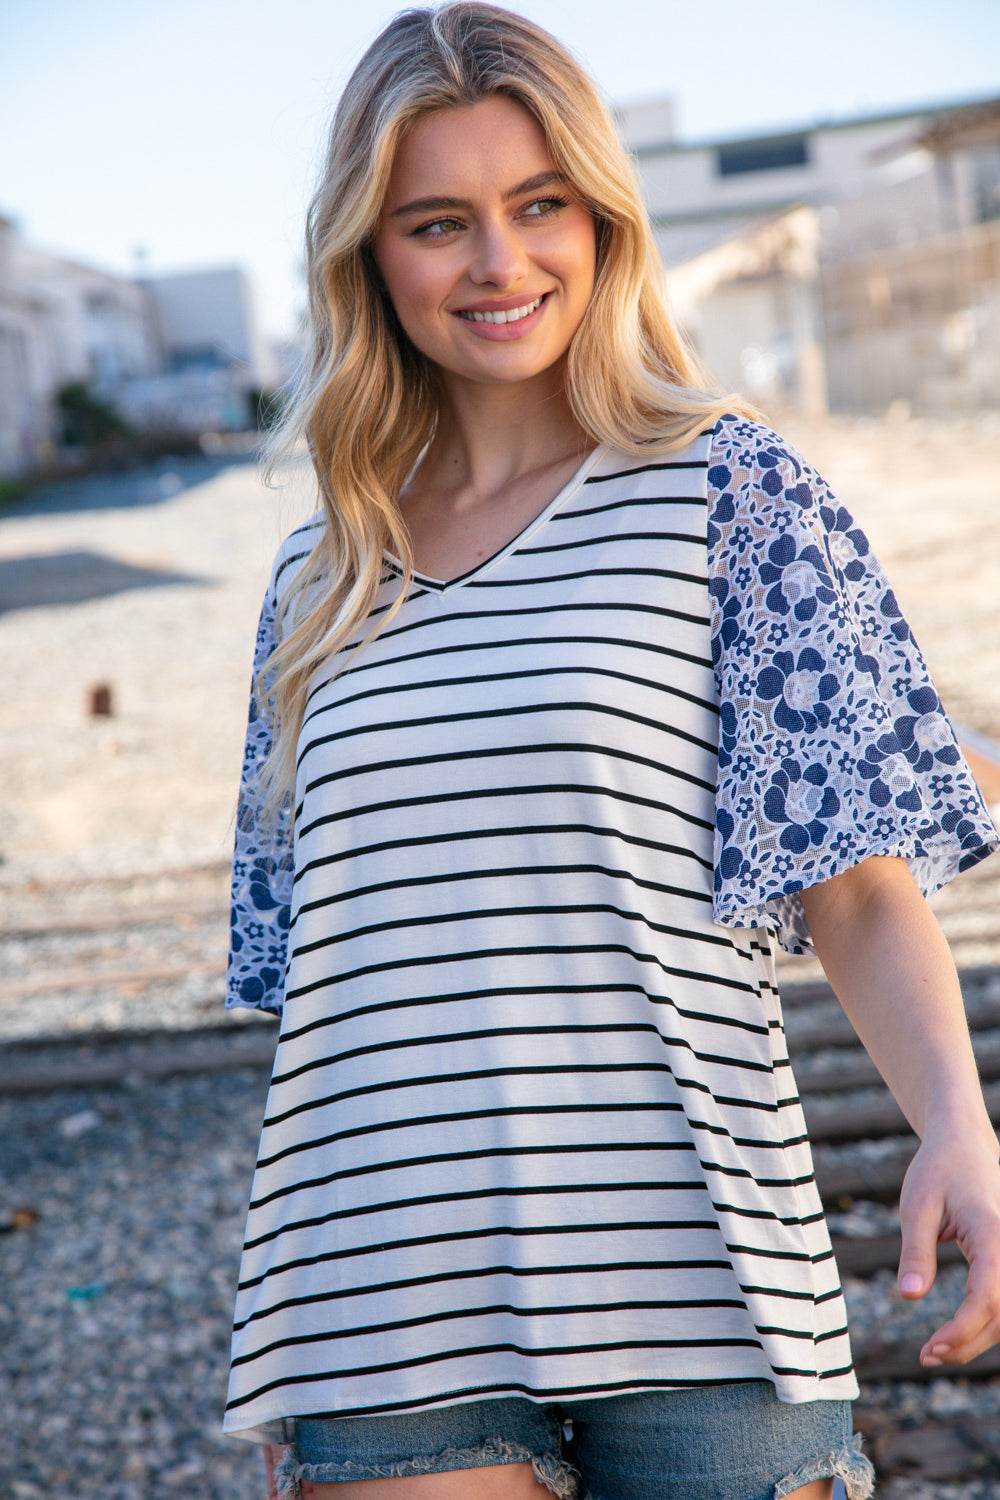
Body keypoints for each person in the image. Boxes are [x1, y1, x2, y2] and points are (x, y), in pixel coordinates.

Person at [223, 6, 1000, 1498]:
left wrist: (957, 1131)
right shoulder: (316, 584)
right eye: (438, 222)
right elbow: (324, 983)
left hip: (706, 1290)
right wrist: (301, 1324)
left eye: (538, 207)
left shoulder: (733, 494)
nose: (500, 264)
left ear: (600, 216)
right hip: (388, 1314)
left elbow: (852, 877)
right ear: (368, 255)